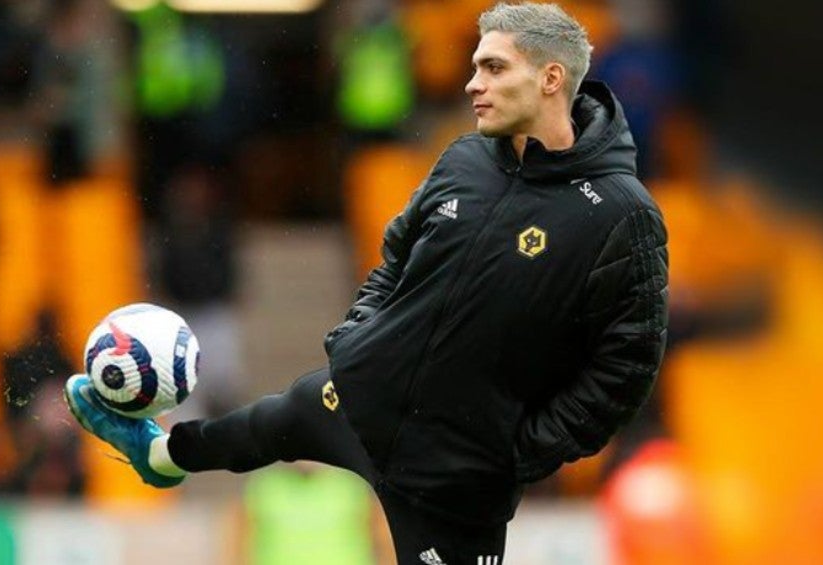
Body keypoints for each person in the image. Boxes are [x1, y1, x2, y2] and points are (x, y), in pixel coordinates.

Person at [65, 2, 669, 563]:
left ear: (550, 79)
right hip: (364, 394)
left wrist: (523, 448)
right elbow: (395, 253)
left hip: (461, 464)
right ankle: (157, 455)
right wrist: (358, 341)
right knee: (262, 426)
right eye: (474, 66)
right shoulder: (464, 159)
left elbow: (628, 366)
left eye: (492, 67)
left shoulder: (621, 214)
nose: (472, 84)